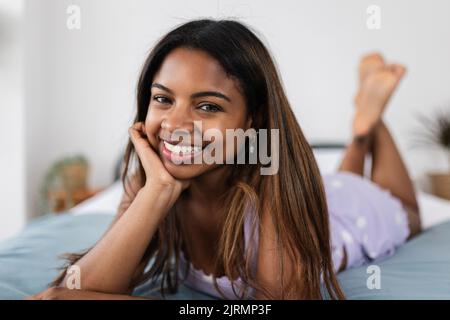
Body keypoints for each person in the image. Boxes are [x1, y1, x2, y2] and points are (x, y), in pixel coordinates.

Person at [28, 19, 420, 300]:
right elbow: (82, 286)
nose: (176, 124)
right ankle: (362, 126)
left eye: (208, 106)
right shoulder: (147, 184)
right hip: (324, 196)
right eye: (163, 99)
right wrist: (158, 191)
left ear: (253, 120)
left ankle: (371, 124)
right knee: (339, 182)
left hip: (350, 215)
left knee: (405, 212)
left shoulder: (270, 186)